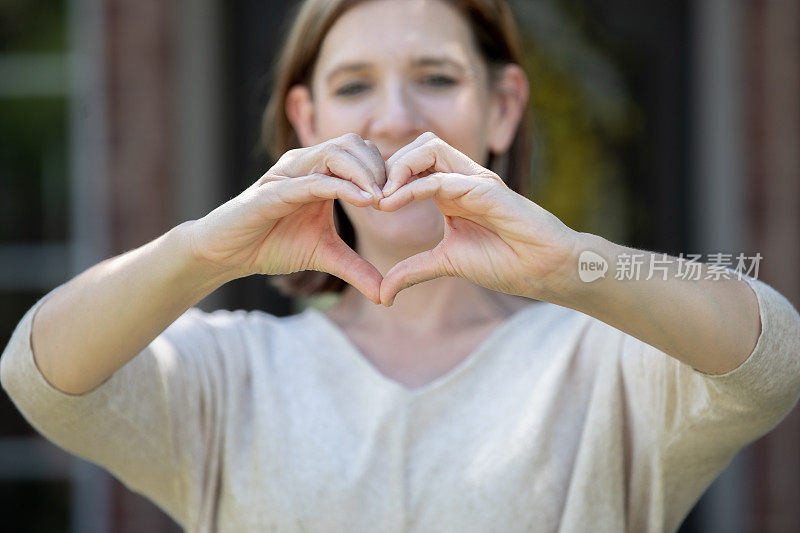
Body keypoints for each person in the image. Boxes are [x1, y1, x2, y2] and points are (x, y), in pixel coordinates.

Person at [1, 0, 799, 531]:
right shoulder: (228, 371)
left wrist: (569, 263)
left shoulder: (606, 364)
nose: (396, 118)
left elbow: (773, 357)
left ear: (504, 107)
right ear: (305, 121)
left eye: (437, 78)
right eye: (354, 87)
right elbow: (38, 373)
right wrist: (205, 248)